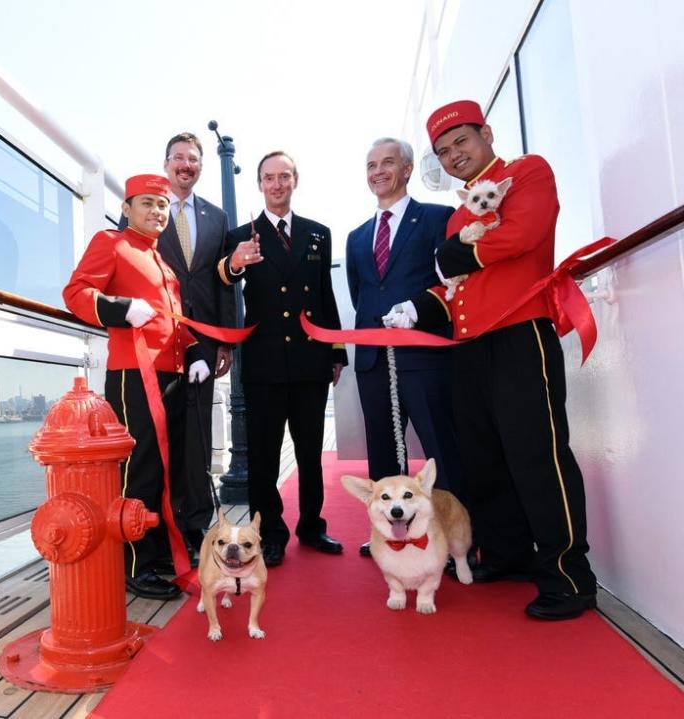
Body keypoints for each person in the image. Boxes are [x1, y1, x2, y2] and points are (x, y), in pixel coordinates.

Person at [386, 100, 597, 620]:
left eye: (461, 142)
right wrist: (419, 306)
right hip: (469, 347)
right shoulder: (460, 211)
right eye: (443, 151)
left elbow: (521, 233)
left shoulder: (527, 172)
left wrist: (454, 253)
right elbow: (457, 286)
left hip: (521, 336)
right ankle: (505, 555)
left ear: (486, 133)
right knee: (486, 460)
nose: (454, 156)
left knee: (539, 458)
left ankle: (568, 577)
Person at [63, 174, 208, 600]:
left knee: (170, 469)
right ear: (127, 208)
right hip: (133, 375)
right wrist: (120, 308)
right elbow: (75, 293)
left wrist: (196, 352)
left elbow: (175, 321)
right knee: (139, 470)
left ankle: (160, 551)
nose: (157, 212)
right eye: (147, 203)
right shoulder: (112, 243)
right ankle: (134, 563)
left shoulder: (161, 261)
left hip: (174, 375)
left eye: (162, 206)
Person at [218, 151, 348, 567]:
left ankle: (312, 526)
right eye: (269, 178)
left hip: (310, 361)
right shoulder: (242, 235)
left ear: (295, 180)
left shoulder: (317, 233)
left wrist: (337, 349)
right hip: (264, 364)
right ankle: (269, 532)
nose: (277, 184)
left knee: (310, 453)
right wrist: (235, 264)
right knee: (263, 457)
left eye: (284, 176)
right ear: (259, 184)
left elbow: (325, 293)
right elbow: (226, 278)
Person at [345, 137, 464, 558]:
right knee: (382, 451)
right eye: (371, 164)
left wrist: (416, 310)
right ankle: (389, 536)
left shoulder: (437, 218)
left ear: (408, 169)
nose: (378, 172)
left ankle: (450, 538)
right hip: (375, 360)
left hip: (424, 357)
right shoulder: (357, 237)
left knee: (441, 450)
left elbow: (451, 283)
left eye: (388, 163)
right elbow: (362, 296)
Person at [120, 133, 235, 561]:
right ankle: (153, 534)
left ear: (200, 167)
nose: (186, 165)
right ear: (166, 163)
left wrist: (224, 341)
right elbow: (129, 265)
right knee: (153, 443)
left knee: (197, 439)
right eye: (179, 159)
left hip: (201, 342)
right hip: (152, 348)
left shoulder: (217, 217)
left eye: (194, 159)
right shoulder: (146, 210)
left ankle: (196, 528)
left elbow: (223, 282)